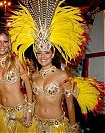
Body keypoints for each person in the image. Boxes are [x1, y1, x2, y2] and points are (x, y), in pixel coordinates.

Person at [7, 0, 104, 132]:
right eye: (39, 53)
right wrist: (27, 113)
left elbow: (69, 105)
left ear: (52, 54)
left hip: (56, 126)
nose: (43, 56)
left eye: (47, 52)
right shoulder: (34, 75)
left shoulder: (62, 76)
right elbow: (34, 100)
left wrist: (73, 126)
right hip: (35, 125)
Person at [0, 29, 33, 133]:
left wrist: (29, 110)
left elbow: (28, 85)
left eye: (5, 42)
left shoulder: (17, 60)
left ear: (9, 44)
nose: (2, 45)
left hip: (20, 110)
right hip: (2, 112)